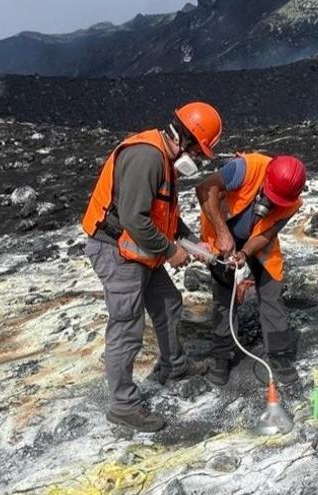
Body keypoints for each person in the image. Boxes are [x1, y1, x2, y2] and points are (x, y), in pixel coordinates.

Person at [81, 102, 223, 432]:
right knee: (127, 328)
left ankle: (176, 365)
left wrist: (190, 242)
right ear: (186, 140)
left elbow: (165, 214)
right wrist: (171, 251)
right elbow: (133, 218)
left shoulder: (163, 158)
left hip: (140, 250)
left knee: (169, 305)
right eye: (200, 152)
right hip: (116, 251)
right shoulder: (147, 157)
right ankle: (123, 406)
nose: (199, 160)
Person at [196, 153, 306, 387]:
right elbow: (205, 189)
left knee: (271, 291)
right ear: (266, 179)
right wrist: (223, 233)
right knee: (224, 295)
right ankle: (221, 357)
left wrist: (245, 254)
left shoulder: (293, 201)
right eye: (271, 196)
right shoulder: (246, 168)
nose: (273, 204)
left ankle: (279, 355)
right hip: (221, 230)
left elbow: (267, 234)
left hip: (258, 239)